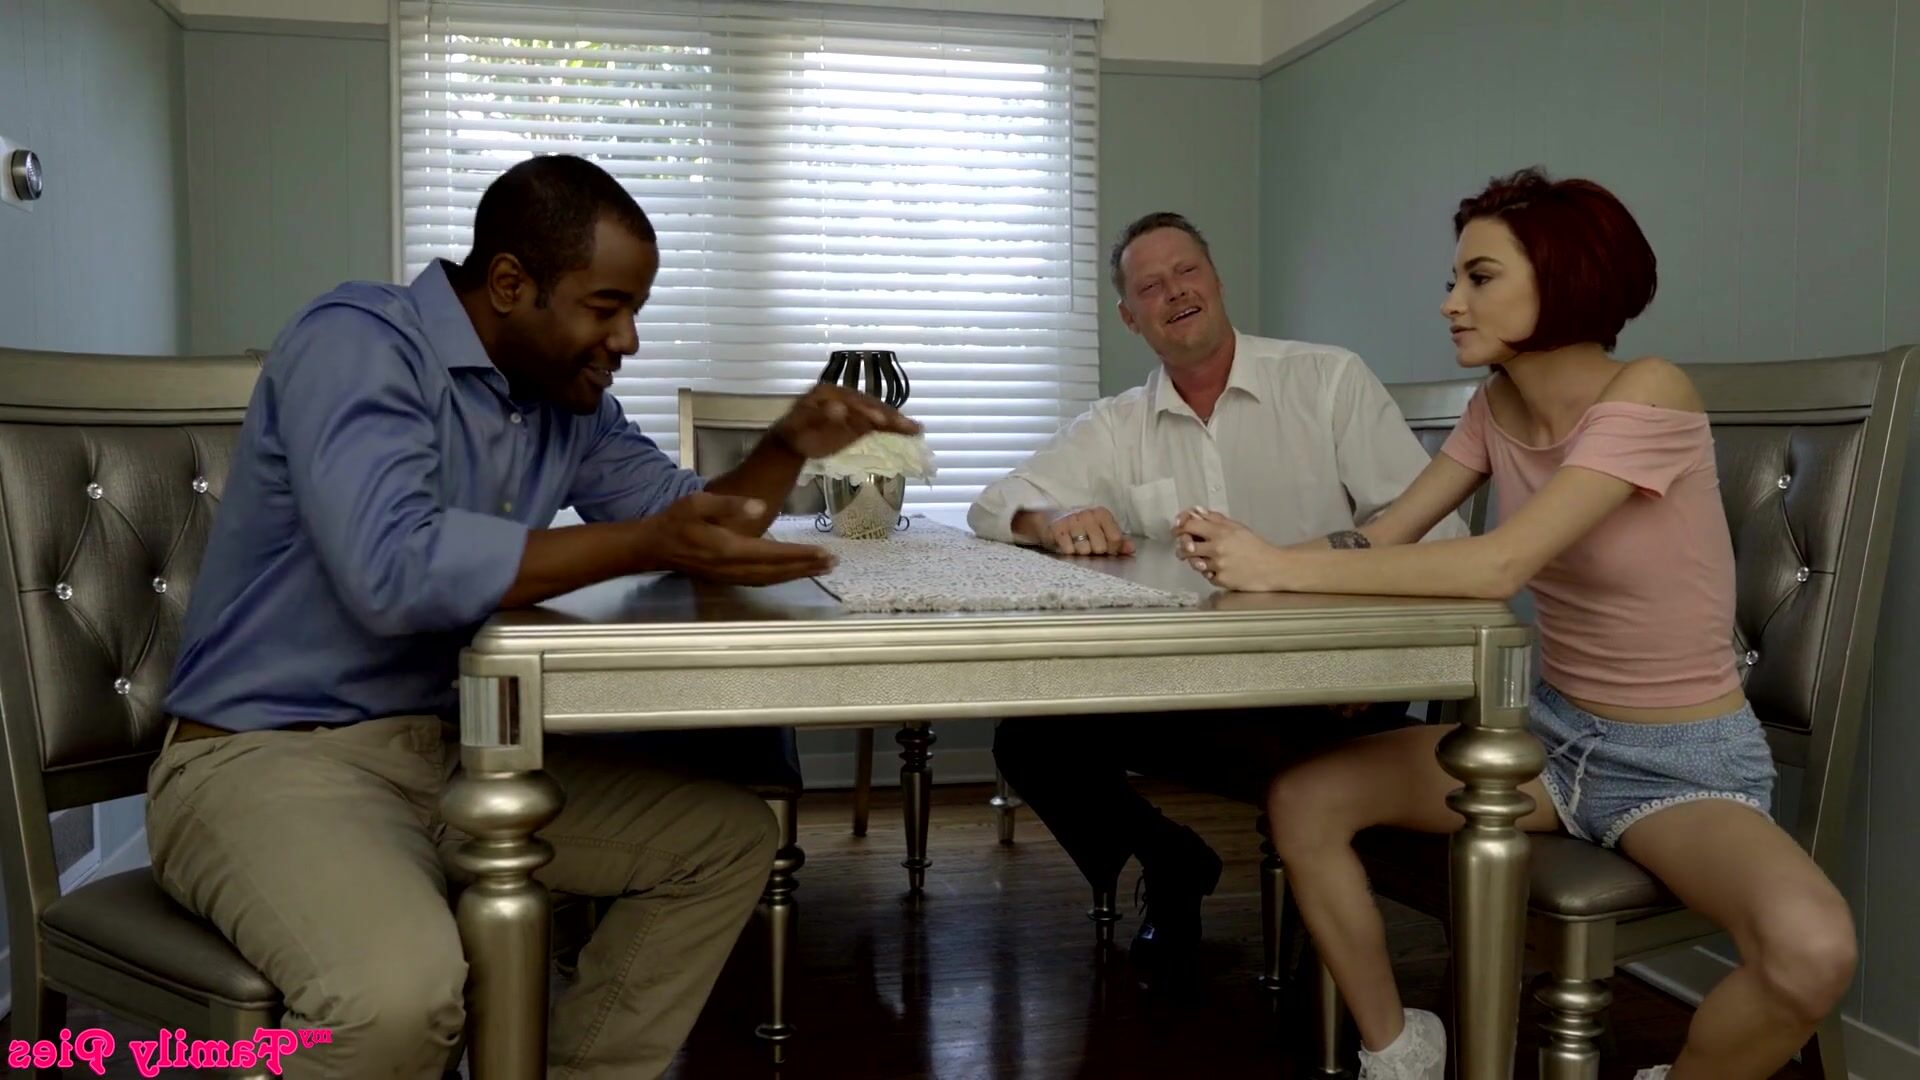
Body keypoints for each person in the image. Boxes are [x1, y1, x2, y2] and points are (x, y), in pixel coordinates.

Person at [150, 153, 918, 1080]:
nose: (627, 338)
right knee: (397, 1003)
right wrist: (644, 543)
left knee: (724, 844)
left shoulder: (564, 403)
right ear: (511, 283)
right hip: (264, 757)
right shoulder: (358, 341)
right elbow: (394, 570)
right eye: (606, 306)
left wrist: (787, 444)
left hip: (450, 757)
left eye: (635, 310)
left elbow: (692, 519)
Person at [1176, 167, 1856, 1080]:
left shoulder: (1651, 392)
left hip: (1681, 763)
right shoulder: (1493, 407)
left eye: (1480, 277)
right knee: (1302, 800)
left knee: (1815, 950)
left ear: (1565, 277)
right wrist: (1248, 559)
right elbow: (1386, 534)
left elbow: (1500, 564)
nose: (1450, 302)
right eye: (1453, 278)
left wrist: (1277, 567)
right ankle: (1400, 1052)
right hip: (1544, 736)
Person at [968, 210, 1466, 988]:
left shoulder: (1327, 380)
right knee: (1032, 739)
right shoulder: (1118, 424)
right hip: (1190, 686)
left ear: (1217, 281)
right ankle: (1172, 858)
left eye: (1187, 270)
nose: (1174, 291)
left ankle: (1331, 968)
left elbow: (1436, 534)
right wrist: (1053, 517)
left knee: (1297, 757)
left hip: (1329, 685)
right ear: (1130, 318)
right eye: (1150, 286)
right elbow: (995, 503)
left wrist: (1373, 655)